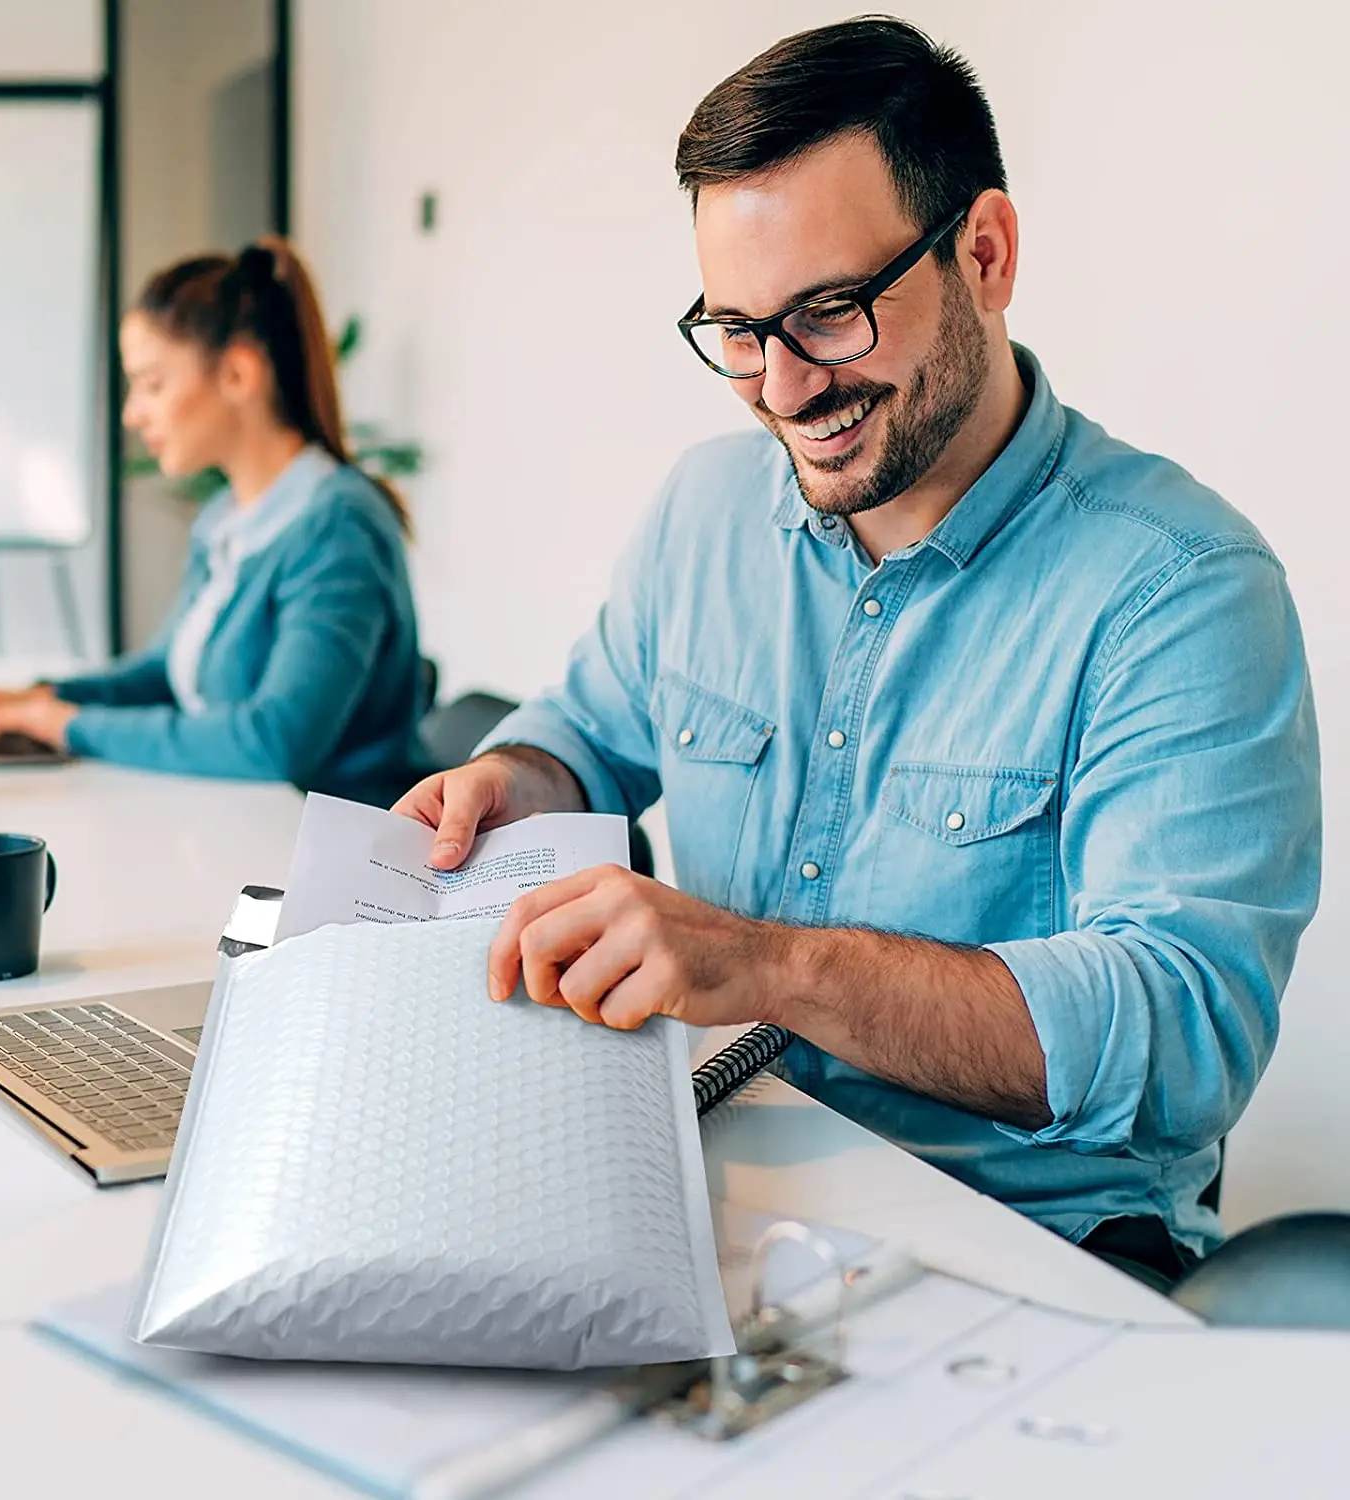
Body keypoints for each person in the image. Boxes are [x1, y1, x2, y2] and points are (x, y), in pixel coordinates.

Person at [394, 18, 1322, 1286]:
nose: (781, 389)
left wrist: (764, 964)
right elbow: (589, 734)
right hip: (696, 1191)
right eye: (736, 330)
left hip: (1026, 1257)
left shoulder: (1181, 591)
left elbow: (1181, 1034)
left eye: (829, 313)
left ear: (984, 254)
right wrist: (517, 780)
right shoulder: (703, 511)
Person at [0, 237, 430, 807]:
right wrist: (38, 699)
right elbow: (167, 672)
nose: (132, 413)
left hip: (335, 859)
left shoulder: (337, 526)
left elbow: (275, 742)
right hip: (246, 823)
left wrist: (66, 724)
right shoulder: (225, 520)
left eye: (152, 383)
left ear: (237, 374)